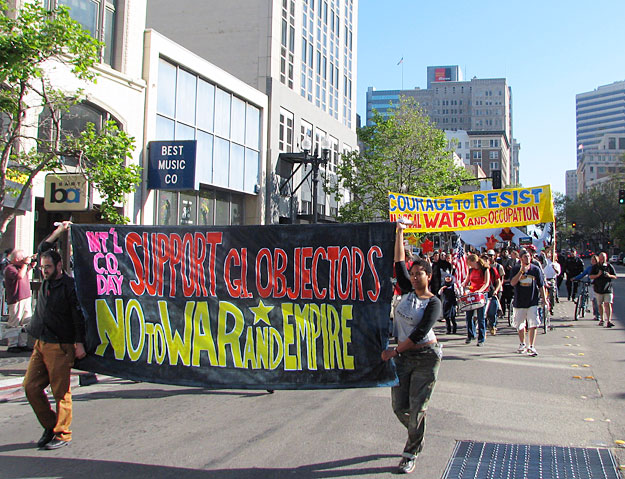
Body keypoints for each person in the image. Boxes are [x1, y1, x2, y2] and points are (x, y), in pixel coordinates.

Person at [381, 221, 442, 475]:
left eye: (420, 273)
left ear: (429, 276)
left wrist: (394, 351)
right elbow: (398, 262)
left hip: (426, 356)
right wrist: (400, 232)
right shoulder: (407, 290)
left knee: (417, 408)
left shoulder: (434, 303)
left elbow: (418, 335)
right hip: (404, 358)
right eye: (413, 273)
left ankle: (410, 453)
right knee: (399, 407)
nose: (415, 276)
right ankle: (417, 432)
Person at [23, 222, 86, 450]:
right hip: (40, 342)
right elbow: (42, 248)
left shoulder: (69, 286)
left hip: (60, 345)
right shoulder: (45, 281)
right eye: (42, 267)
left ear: (59, 265)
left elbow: (78, 316)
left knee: (61, 393)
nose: (44, 270)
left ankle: (63, 433)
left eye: (48, 267)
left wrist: (79, 342)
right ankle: (51, 425)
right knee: (31, 387)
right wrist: (59, 232)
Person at [510, 249, 546, 356]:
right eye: (525, 257)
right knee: (520, 324)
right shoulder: (515, 269)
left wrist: (544, 299)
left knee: (533, 323)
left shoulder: (535, 269)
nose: (528, 258)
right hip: (519, 301)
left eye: (529, 256)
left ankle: (531, 345)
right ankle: (522, 344)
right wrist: (521, 271)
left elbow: (541, 285)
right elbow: (513, 283)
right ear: (520, 258)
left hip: (532, 301)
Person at [3, 249, 36, 352]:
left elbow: (27, 269)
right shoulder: (10, 268)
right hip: (16, 299)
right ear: (16, 259)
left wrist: (32, 262)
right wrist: (25, 264)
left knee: (25, 322)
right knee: (14, 322)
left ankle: (22, 343)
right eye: (22, 258)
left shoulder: (20, 267)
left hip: (25, 297)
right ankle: (12, 344)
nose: (23, 260)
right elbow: (20, 276)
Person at [462, 254, 490, 346]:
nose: (470, 265)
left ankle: (481, 339)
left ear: (474, 261)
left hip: (481, 294)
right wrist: (463, 284)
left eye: (470, 263)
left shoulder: (485, 269)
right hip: (472, 294)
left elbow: (486, 283)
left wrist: (480, 290)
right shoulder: (471, 270)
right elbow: (467, 281)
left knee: (480, 317)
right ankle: (470, 335)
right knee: (468, 316)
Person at [589, 252, 617, 328]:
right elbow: (590, 276)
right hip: (598, 288)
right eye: (601, 258)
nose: (602, 259)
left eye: (603, 258)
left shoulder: (609, 266)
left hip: (608, 288)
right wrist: (598, 275)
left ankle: (609, 320)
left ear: (606, 258)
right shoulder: (595, 267)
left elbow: (615, 276)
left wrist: (609, 275)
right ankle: (602, 319)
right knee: (600, 304)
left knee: (608, 304)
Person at [573, 254, 600, 321]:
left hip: (597, 285)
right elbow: (583, 274)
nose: (593, 261)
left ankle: (597, 315)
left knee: (596, 300)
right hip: (590, 284)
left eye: (594, 260)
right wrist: (575, 278)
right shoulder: (589, 268)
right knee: (590, 297)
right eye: (592, 260)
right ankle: (584, 306)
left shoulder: (599, 268)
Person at [484, 250, 503, 335]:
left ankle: (492, 325)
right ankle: (483, 330)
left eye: (487, 259)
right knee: (483, 312)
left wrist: (496, 290)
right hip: (484, 293)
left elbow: (499, 281)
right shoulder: (479, 270)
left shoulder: (494, 269)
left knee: (492, 311)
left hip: (493, 291)